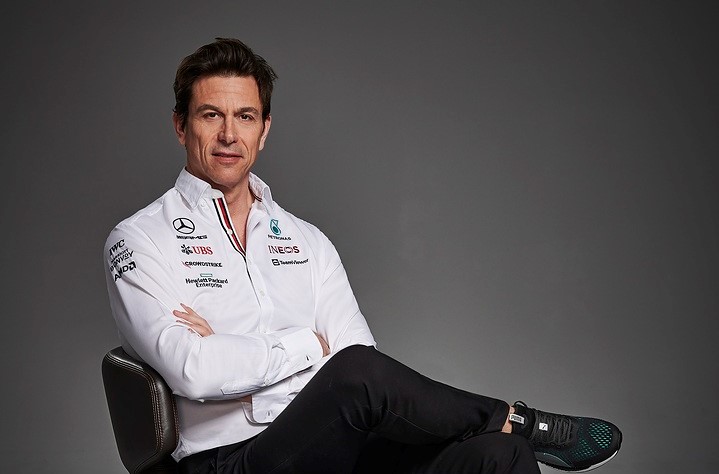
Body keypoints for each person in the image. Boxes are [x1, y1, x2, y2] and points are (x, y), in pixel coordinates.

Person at [103, 37, 622, 473]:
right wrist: (308, 345)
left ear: (264, 130)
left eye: (245, 116)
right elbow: (193, 371)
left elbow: (362, 366)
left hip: (336, 445)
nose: (228, 135)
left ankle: (510, 432)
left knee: (500, 455)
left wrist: (231, 351)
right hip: (230, 460)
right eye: (210, 115)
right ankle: (516, 418)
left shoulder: (308, 242)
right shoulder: (139, 240)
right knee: (354, 375)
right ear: (181, 125)